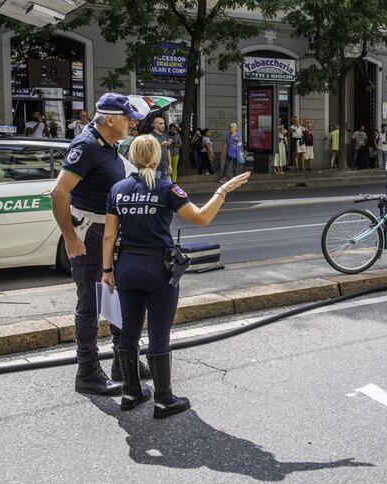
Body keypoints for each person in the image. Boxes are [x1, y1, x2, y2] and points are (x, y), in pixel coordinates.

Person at [101, 134, 250, 417]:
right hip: (159, 269)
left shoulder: (117, 190)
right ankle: (164, 399)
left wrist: (107, 270)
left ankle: (130, 392)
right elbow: (202, 218)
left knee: (128, 332)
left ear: (131, 157)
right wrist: (223, 191)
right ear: (157, 158)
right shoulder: (167, 189)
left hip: (126, 267)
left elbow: (109, 235)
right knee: (159, 334)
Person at [50, 93, 145, 396]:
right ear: (110, 119)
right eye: (128, 117)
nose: (132, 122)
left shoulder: (107, 145)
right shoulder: (86, 146)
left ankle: (122, 360)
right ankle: (87, 372)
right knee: (90, 306)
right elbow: (58, 192)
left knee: (117, 296)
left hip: (107, 233)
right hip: (90, 234)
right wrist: (70, 237)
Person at [151, 116, 172, 182]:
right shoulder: (151, 136)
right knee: (156, 190)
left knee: (169, 188)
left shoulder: (165, 136)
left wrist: (170, 165)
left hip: (165, 167)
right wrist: (160, 145)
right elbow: (149, 151)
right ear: (155, 125)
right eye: (160, 124)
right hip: (155, 168)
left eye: (163, 123)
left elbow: (168, 150)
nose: (163, 125)